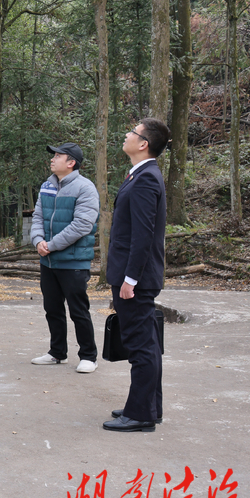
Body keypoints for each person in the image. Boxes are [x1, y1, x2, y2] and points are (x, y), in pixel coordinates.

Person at [103, 117, 170, 433]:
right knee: (148, 344)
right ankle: (145, 406)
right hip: (133, 274)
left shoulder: (146, 179)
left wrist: (130, 279)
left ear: (143, 143)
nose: (126, 135)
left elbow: (143, 235)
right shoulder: (140, 174)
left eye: (132, 132)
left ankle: (142, 413)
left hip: (136, 278)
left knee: (141, 345)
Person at [29, 142, 100, 373]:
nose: (53, 159)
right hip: (48, 260)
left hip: (73, 261)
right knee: (52, 308)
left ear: (71, 163)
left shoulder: (85, 188)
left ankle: (88, 356)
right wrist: (38, 240)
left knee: (78, 310)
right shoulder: (47, 186)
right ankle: (57, 352)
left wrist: (51, 244)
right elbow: (37, 216)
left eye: (58, 156)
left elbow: (82, 225)